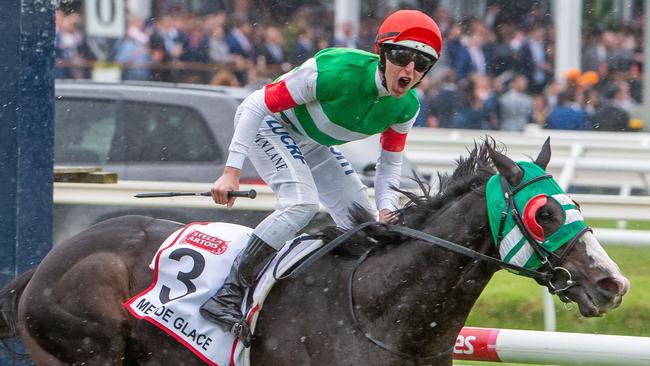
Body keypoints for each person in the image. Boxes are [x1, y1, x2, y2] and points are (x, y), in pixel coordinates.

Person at [199, 9, 443, 347]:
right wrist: (231, 172)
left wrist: (387, 207)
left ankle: (335, 300)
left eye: (422, 64)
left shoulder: (406, 108)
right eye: (402, 57)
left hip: (312, 141)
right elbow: (256, 104)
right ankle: (228, 292)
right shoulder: (335, 71)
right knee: (301, 204)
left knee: (366, 224)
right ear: (382, 52)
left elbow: (390, 165)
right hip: (270, 125)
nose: (410, 70)